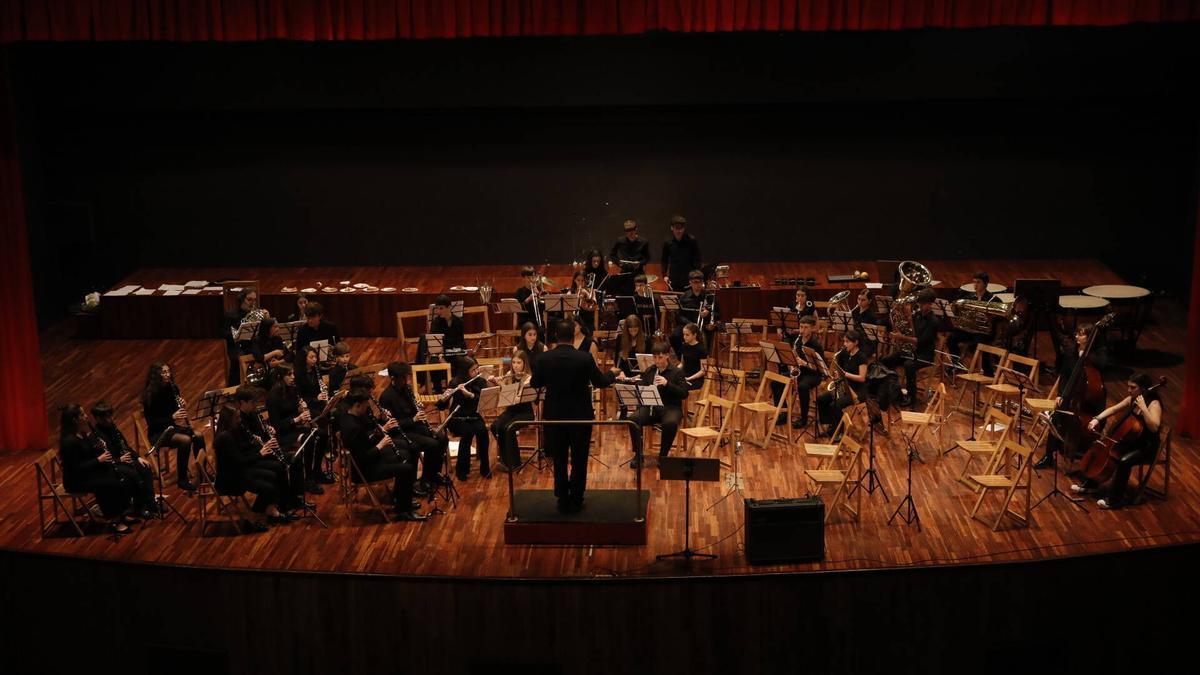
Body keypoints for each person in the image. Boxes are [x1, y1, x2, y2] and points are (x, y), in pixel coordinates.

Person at [530, 320, 620, 512]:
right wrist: (612, 373)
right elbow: (600, 382)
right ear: (573, 336)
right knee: (579, 458)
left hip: (554, 416)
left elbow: (536, 383)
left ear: (555, 336)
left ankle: (562, 496)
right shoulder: (584, 358)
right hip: (580, 416)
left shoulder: (544, 359)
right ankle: (577, 497)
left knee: (560, 458)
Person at [1070, 373, 1163, 509]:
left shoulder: (1154, 404)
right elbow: (1113, 409)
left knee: (1124, 461)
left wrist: (1143, 408)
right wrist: (1097, 419)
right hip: (1131, 442)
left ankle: (1115, 499)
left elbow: (1154, 427)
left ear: (1143, 388)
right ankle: (1091, 484)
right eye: (1128, 387)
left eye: (1133, 387)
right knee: (1102, 449)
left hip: (1146, 447)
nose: (1129, 390)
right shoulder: (1132, 399)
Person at [339, 389, 427, 521]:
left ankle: (401, 499)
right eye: (365, 405)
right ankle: (403, 510)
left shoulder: (350, 416)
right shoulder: (353, 427)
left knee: (406, 454)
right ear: (357, 405)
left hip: (370, 459)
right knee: (407, 468)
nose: (367, 407)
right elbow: (363, 457)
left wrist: (379, 432)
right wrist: (381, 445)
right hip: (366, 469)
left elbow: (365, 442)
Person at [58, 404, 141, 535]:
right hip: (76, 480)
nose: (86, 416)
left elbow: (87, 453)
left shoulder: (81, 433)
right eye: (82, 414)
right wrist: (99, 460)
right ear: (75, 420)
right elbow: (75, 468)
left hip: (87, 473)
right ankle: (114, 520)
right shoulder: (69, 441)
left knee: (119, 475)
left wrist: (99, 446)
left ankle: (123, 513)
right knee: (110, 483)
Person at [1035, 323, 1107, 468]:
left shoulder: (1099, 352)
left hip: (1091, 400)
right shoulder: (1071, 351)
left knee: (1085, 425)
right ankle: (1049, 456)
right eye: (1077, 333)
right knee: (1055, 419)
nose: (1076, 336)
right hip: (1072, 394)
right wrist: (1060, 394)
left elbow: (1103, 364)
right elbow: (1065, 375)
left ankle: (1086, 459)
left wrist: (1086, 356)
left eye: (1081, 334)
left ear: (1090, 337)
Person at [213, 404, 294, 532]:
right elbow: (239, 461)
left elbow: (242, 454)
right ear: (229, 420)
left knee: (274, 474)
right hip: (231, 478)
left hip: (240, 470)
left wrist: (253, 442)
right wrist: (259, 454)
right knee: (269, 485)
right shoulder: (224, 438)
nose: (240, 420)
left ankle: (270, 510)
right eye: (237, 418)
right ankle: (265, 511)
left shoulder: (233, 431)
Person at [378, 361, 449, 492]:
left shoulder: (407, 389)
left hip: (414, 427)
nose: (407, 380)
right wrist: (413, 419)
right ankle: (426, 479)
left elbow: (412, 411)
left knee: (442, 438)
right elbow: (392, 425)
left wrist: (419, 408)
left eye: (407, 377)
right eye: (404, 378)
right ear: (393, 378)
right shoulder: (386, 397)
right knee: (432, 444)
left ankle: (433, 474)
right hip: (400, 433)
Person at [621, 342, 688, 468]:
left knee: (670, 423)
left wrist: (667, 384)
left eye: (660, 357)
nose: (657, 361)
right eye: (655, 357)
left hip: (670, 407)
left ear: (667, 355)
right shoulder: (650, 370)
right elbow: (643, 385)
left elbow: (684, 393)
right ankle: (638, 454)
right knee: (633, 419)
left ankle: (663, 456)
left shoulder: (677, 372)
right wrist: (636, 383)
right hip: (651, 407)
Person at [141, 362, 206, 492]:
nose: (168, 375)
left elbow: (174, 409)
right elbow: (152, 423)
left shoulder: (172, 388)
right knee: (185, 440)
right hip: (158, 433)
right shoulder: (150, 394)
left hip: (171, 428)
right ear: (156, 376)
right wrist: (172, 417)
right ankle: (182, 480)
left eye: (168, 371)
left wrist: (182, 404)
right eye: (164, 372)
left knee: (198, 436)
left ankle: (203, 473)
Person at [90, 401, 156, 518]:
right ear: (98, 419)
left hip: (122, 460)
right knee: (134, 475)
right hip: (112, 466)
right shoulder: (96, 436)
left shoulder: (113, 428)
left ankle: (151, 503)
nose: (110, 419)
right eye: (107, 417)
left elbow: (125, 445)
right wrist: (120, 459)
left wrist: (138, 457)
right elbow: (104, 460)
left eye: (110, 416)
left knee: (145, 467)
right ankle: (138, 508)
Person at [881, 289, 938, 409]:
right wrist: (904, 322)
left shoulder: (933, 321)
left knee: (908, 365)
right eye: (919, 303)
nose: (920, 306)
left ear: (930, 304)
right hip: (911, 351)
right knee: (886, 360)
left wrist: (902, 337)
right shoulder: (917, 315)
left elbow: (920, 341)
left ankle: (912, 398)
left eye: (923, 304)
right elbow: (910, 331)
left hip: (925, 355)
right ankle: (892, 390)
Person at [438, 357, 491, 481]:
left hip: (474, 416)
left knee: (483, 431)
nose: (477, 372)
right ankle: (461, 470)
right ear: (464, 371)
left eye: (477, 368)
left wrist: (471, 395)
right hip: (457, 418)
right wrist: (444, 398)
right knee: (468, 433)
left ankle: (485, 468)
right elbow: (441, 407)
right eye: (473, 370)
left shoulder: (480, 381)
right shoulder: (455, 383)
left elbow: (483, 401)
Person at [295, 345, 336, 486]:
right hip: (306, 409)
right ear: (303, 359)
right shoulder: (298, 375)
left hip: (316, 404)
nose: (315, 360)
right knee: (322, 425)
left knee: (333, 414)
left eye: (315, 357)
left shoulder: (315, 370)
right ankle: (315, 470)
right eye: (311, 357)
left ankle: (323, 460)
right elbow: (298, 398)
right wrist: (315, 399)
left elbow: (318, 390)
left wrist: (323, 393)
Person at [487, 350, 535, 469]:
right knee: (495, 426)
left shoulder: (528, 379)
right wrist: (494, 383)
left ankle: (514, 463)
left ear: (525, 364)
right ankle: (506, 458)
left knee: (508, 428)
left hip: (525, 412)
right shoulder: (509, 374)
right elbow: (505, 396)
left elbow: (516, 398)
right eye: (513, 362)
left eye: (519, 363)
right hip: (511, 411)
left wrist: (502, 385)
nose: (515, 365)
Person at [815, 330, 869, 435]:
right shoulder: (845, 353)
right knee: (821, 399)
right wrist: (837, 375)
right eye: (844, 341)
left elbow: (862, 378)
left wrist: (845, 374)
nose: (844, 344)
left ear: (856, 342)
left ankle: (840, 431)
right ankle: (831, 426)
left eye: (847, 342)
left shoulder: (861, 357)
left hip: (856, 390)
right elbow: (839, 369)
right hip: (844, 386)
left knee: (835, 405)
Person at [947, 271, 999, 365]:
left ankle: (985, 369)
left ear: (986, 284)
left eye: (978, 282)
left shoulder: (993, 300)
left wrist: (991, 318)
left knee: (975, 345)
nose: (975, 285)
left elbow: (1000, 319)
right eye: (974, 282)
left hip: (984, 333)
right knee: (951, 338)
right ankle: (956, 364)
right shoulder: (969, 297)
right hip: (969, 330)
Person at [223, 287, 267, 386]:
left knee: (267, 351)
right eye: (249, 299)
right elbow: (223, 333)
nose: (252, 302)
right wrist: (238, 333)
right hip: (237, 345)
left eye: (254, 300)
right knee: (238, 359)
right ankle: (234, 388)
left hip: (253, 344)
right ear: (242, 300)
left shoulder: (257, 312)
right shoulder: (230, 315)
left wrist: (266, 319)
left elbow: (264, 331)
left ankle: (261, 383)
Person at [785, 316, 824, 428]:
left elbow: (820, 367)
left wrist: (804, 363)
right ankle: (783, 413)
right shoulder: (797, 341)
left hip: (813, 374)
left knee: (803, 387)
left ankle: (803, 418)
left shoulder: (816, 345)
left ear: (812, 328)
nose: (802, 330)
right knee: (777, 382)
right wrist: (792, 366)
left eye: (805, 327)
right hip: (800, 372)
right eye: (801, 327)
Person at [672, 270, 718, 353]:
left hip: (704, 326)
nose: (697, 285)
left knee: (707, 336)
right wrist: (690, 324)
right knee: (674, 336)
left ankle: (704, 358)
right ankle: (682, 357)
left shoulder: (709, 296)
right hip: (687, 325)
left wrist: (708, 313)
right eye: (694, 282)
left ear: (702, 282)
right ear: (690, 282)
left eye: (699, 282)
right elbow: (679, 315)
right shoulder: (684, 297)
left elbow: (718, 313)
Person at [661, 215, 702, 292]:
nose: (679, 231)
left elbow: (697, 259)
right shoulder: (668, 243)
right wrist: (664, 275)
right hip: (674, 279)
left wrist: (696, 275)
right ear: (672, 228)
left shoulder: (691, 241)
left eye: (681, 228)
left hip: (689, 279)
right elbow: (664, 260)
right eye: (676, 228)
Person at [609, 220, 650, 296]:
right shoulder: (620, 241)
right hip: (625, 273)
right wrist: (619, 264)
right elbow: (612, 254)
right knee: (624, 297)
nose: (630, 233)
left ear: (636, 229)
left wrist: (640, 263)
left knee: (640, 296)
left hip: (638, 274)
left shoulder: (644, 242)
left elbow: (647, 258)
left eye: (632, 230)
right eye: (627, 231)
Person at [615, 314, 651, 378]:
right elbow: (617, 360)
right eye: (631, 331)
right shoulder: (620, 338)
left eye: (635, 330)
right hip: (624, 375)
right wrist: (621, 372)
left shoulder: (646, 339)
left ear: (639, 329)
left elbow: (649, 363)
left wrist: (640, 376)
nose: (633, 333)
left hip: (641, 376)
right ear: (627, 330)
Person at [678, 322, 707, 391]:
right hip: (685, 376)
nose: (684, 337)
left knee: (679, 389)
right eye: (684, 334)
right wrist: (674, 370)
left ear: (694, 335)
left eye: (687, 335)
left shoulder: (701, 349)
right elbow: (682, 364)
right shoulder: (684, 346)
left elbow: (703, 371)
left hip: (696, 379)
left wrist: (688, 378)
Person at [514, 266, 545, 331]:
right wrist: (528, 299)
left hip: (537, 323)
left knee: (541, 330)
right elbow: (518, 310)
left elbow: (543, 308)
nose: (531, 280)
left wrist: (538, 297)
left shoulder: (539, 291)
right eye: (528, 277)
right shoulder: (519, 292)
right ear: (523, 278)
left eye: (533, 277)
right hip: (524, 323)